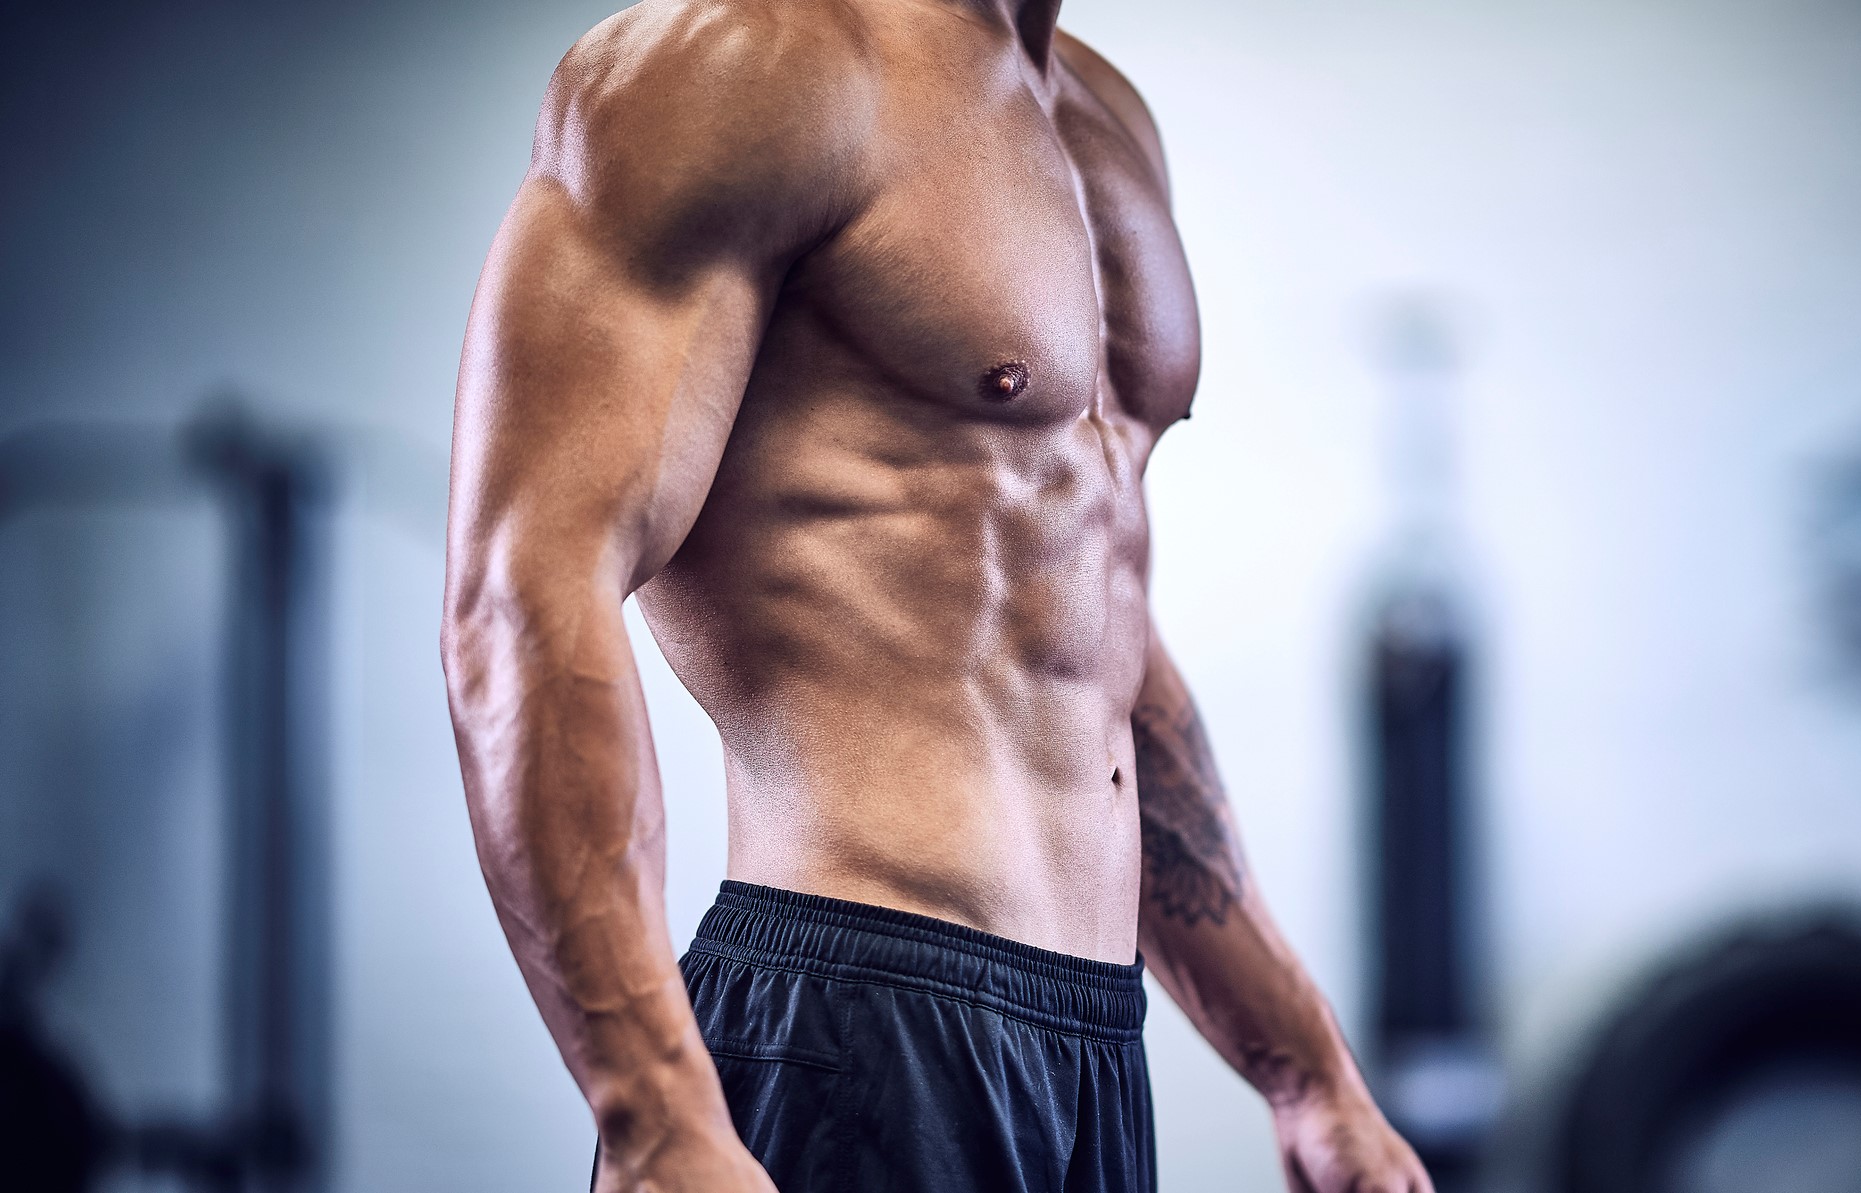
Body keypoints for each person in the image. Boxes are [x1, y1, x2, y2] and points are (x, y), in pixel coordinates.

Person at [441, 1, 1429, 1189]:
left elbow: (1094, 648)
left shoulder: (1105, 119)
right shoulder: (747, 66)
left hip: (1094, 1049)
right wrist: (654, 1111)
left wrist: (1308, 1070)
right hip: (858, 1018)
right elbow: (522, 595)